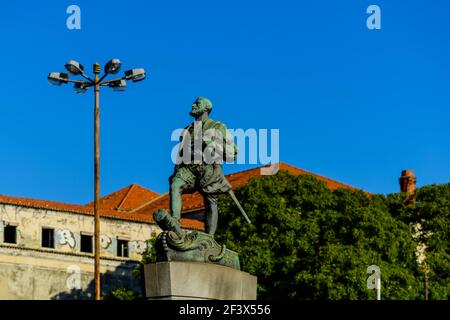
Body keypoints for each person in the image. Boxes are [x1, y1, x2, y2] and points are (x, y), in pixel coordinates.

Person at [167, 97, 237, 236]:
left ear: (206, 109)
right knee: (175, 185)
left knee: (210, 201)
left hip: (208, 168)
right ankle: (175, 221)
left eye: (197, 104)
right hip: (189, 168)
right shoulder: (187, 130)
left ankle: (210, 237)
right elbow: (180, 153)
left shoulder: (217, 126)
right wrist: (175, 171)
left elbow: (230, 152)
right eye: (193, 103)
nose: (193, 105)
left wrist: (211, 142)